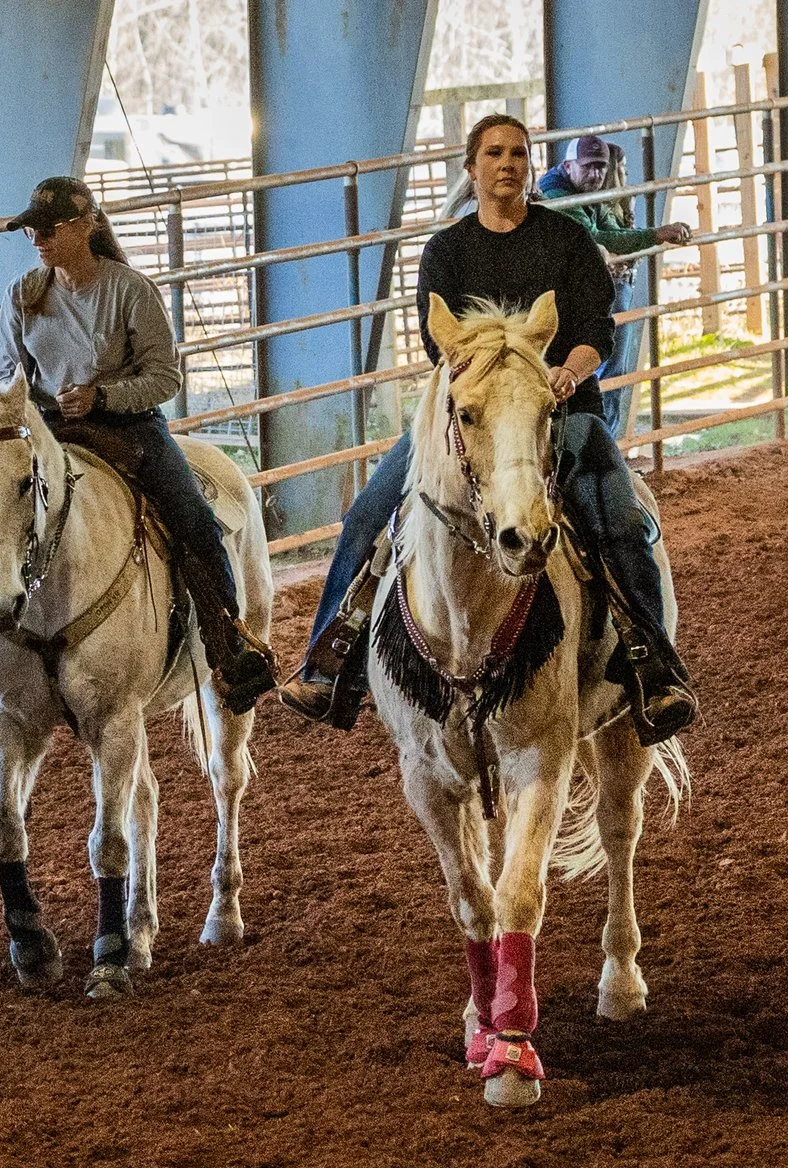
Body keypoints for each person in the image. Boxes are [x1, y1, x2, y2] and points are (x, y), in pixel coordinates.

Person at [279, 115, 695, 745]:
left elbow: (595, 330)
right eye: (495, 154)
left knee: (617, 514)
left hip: (564, 412)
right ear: (471, 169)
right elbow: (437, 345)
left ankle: (653, 667)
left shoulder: (569, 239)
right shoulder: (446, 253)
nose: (509, 164)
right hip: (469, 423)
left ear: (530, 166)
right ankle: (329, 661)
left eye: (519, 154)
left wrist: (565, 373)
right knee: (368, 515)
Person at [0, 176, 279, 722]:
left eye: (48, 228)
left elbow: (164, 377)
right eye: (32, 229)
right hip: (48, 430)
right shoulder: (23, 294)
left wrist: (104, 395)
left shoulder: (129, 290)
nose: (37, 238)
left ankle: (227, 635)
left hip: (130, 429)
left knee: (192, 516)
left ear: (85, 226)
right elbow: (7, 380)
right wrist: (30, 409)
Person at [538, 135, 692, 434]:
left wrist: (630, 238)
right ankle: (603, 443)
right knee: (599, 367)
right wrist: (654, 234)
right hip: (577, 294)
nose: (597, 175)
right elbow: (595, 239)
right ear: (568, 165)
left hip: (592, 287)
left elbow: (608, 230)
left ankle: (605, 442)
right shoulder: (559, 196)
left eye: (602, 168)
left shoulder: (587, 193)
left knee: (606, 367)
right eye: (588, 167)